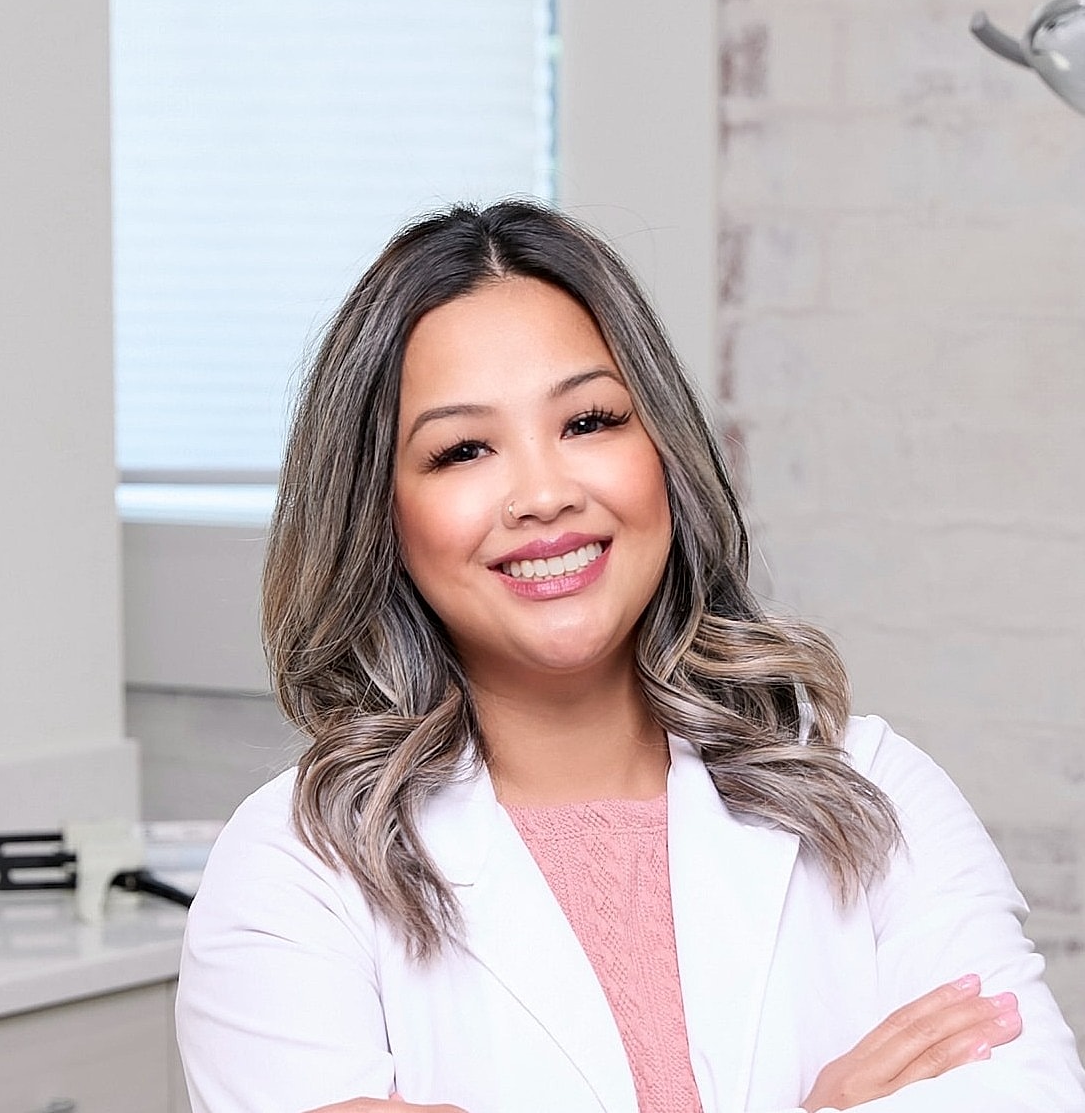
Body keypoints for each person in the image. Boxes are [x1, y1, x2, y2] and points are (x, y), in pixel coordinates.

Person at [175, 201, 1085, 1113]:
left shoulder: (868, 787)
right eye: (461, 449)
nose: (541, 493)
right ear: (380, 513)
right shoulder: (294, 869)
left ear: (663, 450)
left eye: (588, 422)